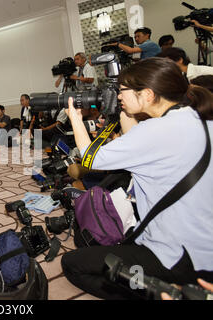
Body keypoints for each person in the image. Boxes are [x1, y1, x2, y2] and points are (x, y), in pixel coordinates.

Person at [61, 57, 213, 300]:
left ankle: (167, 293)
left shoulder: (154, 130)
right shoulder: (199, 120)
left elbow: (92, 159)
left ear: (148, 95)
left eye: (122, 91)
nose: (118, 96)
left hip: (178, 256)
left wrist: (75, 119)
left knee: (73, 263)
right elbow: (139, 149)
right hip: (204, 246)